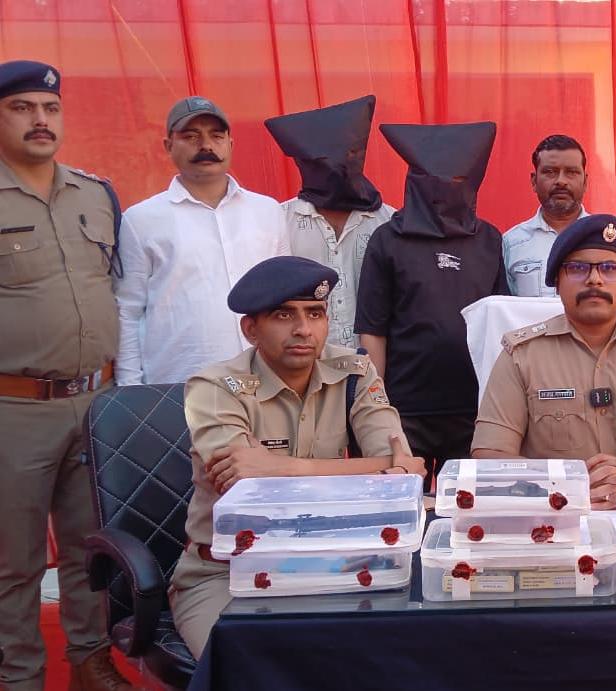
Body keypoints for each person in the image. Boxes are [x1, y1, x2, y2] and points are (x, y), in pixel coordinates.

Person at [169, 256, 425, 659]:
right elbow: (249, 494)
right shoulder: (214, 387)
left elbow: (402, 476)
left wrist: (283, 468)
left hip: (335, 563)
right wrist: (372, 470)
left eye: (315, 313)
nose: (304, 329)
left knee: (391, 655)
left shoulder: (355, 374)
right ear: (250, 329)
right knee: (246, 668)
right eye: (283, 315)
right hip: (227, 572)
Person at [0, 60, 133, 691]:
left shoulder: (95, 194)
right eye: (22, 108)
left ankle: (90, 660)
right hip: (14, 408)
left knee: (92, 549)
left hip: (94, 402)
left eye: (50, 109)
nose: (40, 120)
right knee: (14, 561)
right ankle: (19, 676)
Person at [472, 214, 616, 508]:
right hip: (555, 518)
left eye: (609, 268)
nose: (595, 279)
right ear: (557, 282)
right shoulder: (521, 356)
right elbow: (489, 458)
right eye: (577, 268)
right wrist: (570, 484)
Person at [355, 121, 508, 485]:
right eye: (436, 178)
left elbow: (500, 326)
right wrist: (378, 405)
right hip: (405, 409)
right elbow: (372, 330)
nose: (446, 188)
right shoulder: (388, 240)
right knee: (404, 503)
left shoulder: (488, 239)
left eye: (458, 178)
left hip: (473, 410)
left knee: (468, 506)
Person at [114, 96, 289, 385]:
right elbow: (127, 311)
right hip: (179, 384)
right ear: (168, 145)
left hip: (266, 380)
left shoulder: (268, 211)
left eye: (216, 136)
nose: (206, 145)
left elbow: (285, 299)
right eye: (191, 136)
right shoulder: (140, 220)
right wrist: (130, 388)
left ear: (230, 144)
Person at [265, 95, 394, 349]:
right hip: (302, 360)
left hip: (375, 364)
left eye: (349, 154)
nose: (338, 167)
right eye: (324, 160)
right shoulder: (278, 222)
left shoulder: (389, 222)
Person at [503, 134, 589, 296]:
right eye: (550, 172)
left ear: (585, 182)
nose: (561, 181)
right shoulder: (511, 243)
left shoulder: (602, 237)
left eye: (571, 172)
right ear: (534, 181)